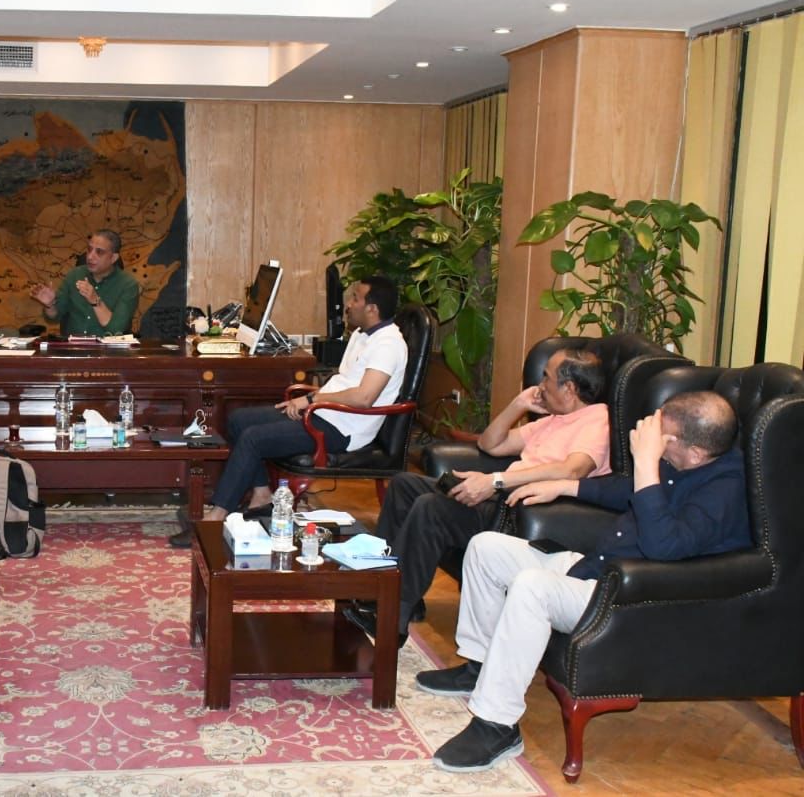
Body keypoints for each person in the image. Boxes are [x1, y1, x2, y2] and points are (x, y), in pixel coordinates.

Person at [417, 391, 749, 772]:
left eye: (663, 436)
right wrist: (565, 486)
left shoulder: (724, 493)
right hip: (595, 569)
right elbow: (625, 490)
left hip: (623, 596)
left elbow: (664, 546)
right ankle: (479, 666)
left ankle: (496, 725)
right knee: (486, 548)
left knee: (532, 587)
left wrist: (646, 462)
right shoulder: (684, 461)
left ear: (695, 453)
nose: (651, 438)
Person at [344, 349, 611, 644]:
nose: (541, 383)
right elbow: (489, 444)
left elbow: (573, 470)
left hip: (520, 513)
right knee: (404, 485)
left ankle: (393, 619)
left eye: (547, 377)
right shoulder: (554, 420)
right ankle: (381, 589)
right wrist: (518, 405)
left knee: (431, 508)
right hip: (500, 498)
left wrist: (495, 482)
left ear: (569, 388)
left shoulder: (596, 421)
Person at [166, 276, 406, 547]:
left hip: (344, 428)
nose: (348, 304)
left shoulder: (388, 345)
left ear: (372, 308)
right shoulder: (363, 334)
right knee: (238, 419)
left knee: (253, 438)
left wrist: (312, 398)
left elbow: (364, 398)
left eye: (356, 298)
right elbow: (345, 383)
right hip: (324, 412)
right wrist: (310, 400)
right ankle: (262, 496)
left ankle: (217, 517)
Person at [29, 229, 140, 336]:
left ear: (114, 258)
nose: (90, 256)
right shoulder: (74, 276)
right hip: (73, 347)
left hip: (107, 348)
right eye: (89, 249)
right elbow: (53, 318)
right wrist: (50, 304)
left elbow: (116, 329)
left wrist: (95, 301)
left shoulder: (128, 285)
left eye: (99, 252)